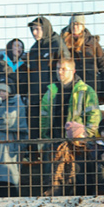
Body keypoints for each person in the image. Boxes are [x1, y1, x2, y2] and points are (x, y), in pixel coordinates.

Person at [39, 58, 101, 196]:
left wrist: (85, 137)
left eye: (63, 69)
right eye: (58, 68)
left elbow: (94, 116)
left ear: (73, 71)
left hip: (77, 145)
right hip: (55, 143)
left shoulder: (85, 91)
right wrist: (45, 138)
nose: (60, 72)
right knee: (54, 180)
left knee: (78, 178)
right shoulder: (51, 91)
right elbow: (43, 116)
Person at [22, 17, 67, 146]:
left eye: (37, 29)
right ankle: (35, 159)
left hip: (52, 97)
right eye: (32, 30)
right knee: (35, 132)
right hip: (36, 98)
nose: (34, 33)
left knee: (53, 133)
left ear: (45, 28)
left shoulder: (57, 44)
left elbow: (66, 69)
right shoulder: (34, 48)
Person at [60, 14, 104, 104]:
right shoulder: (62, 42)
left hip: (91, 86)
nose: (75, 27)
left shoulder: (92, 43)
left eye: (78, 24)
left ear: (83, 26)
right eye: (73, 24)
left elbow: (103, 66)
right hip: (70, 87)